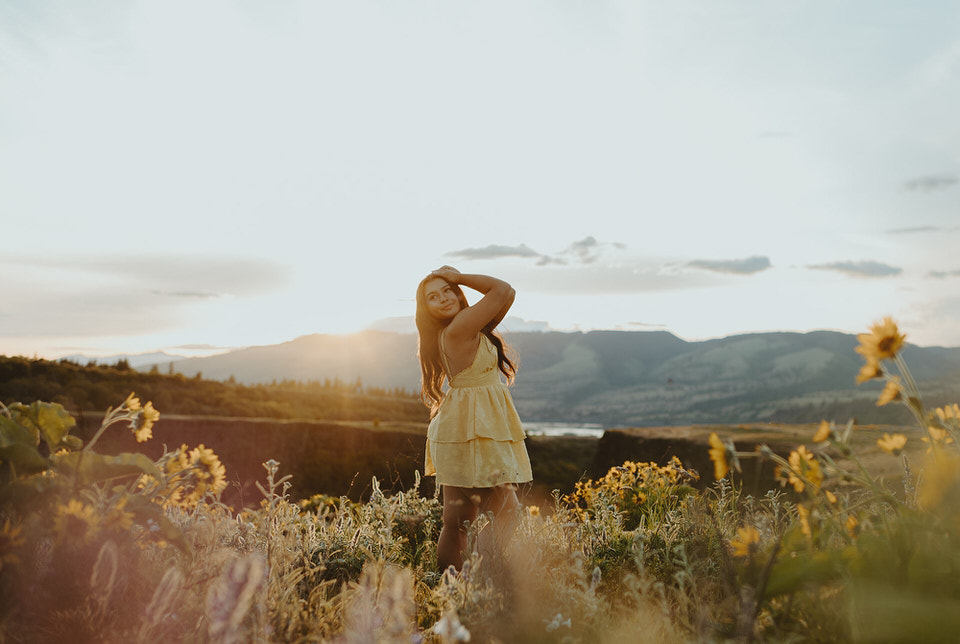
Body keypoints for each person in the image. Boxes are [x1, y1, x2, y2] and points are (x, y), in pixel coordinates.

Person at [415, 265, 533, 572]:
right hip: (475, 429)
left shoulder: (462, 327)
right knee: (506, 512)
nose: (443, 298)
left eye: (448, 291)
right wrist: (459, 278)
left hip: (464, 426)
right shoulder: (459, 329)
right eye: (433, 297)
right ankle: (482, 580)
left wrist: (457, 282)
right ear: (425, 308)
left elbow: (508, 297)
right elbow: (503, 290)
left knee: (457, 523)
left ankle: (450, 592)